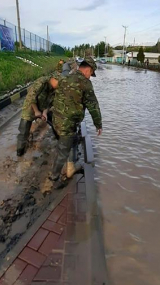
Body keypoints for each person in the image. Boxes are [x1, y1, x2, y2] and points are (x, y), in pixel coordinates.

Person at [49, 56, 102, 188]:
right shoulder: (85, 83)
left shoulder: (66, 77)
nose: (90, 77)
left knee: (70, 142)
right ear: (87, 70)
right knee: (62, 151)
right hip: (67, 124)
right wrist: (98, 124)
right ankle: (53, 178)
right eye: (91, 74)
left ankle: (70, 167)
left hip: (55, 120)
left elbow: (53, 83)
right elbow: (93, 106)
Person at [16, 75, 59, 156]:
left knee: (55, 122)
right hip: (30, 107)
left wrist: (45, 113)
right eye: (58, 83)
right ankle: (20, 152)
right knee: (23, 131)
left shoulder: (55, 89)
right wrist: (36, 111)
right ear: (53, 79)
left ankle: (61, 143)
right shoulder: (42, 82)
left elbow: (50, 103)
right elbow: (31, 97)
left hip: (42, 107)